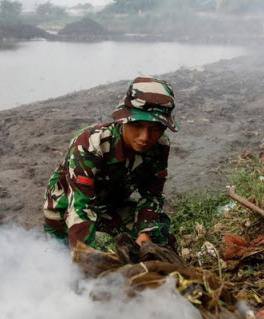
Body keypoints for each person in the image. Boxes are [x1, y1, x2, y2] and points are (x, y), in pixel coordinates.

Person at [43, 76, 178, 253]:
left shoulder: (160, 146)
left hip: (112, 206)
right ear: (124, 119)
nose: (145, 137)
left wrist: (146, 232)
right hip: (67, 208)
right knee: (62, 262)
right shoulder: (90, 144)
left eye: (155, 128)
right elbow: (81, 207)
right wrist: (84, 258)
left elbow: (152, 195)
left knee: (161, 238)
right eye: (137, 125)